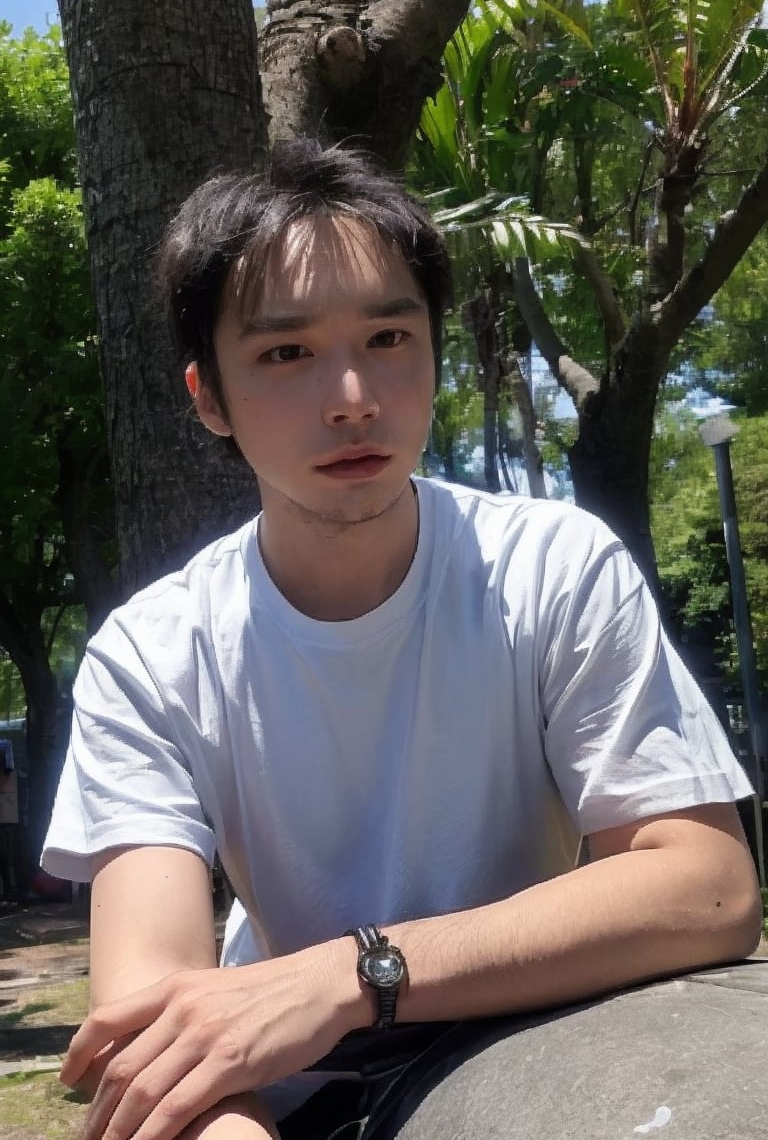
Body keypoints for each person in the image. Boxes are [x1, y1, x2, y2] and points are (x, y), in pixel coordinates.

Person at [42, 139, 761, 1140]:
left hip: (554, 1042)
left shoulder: (553, 567)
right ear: (208, 398)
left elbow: (708, 885)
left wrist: (358, 974)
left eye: (388, 337)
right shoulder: (152, 655)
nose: (353, 397)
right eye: (286, 353)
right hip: (294, 1096)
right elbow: (154, 1025)